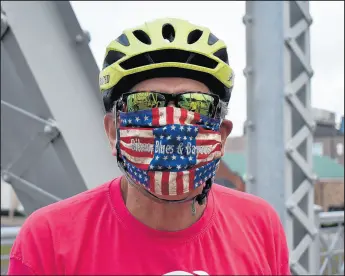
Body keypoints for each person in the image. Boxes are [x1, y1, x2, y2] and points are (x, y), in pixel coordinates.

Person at [8, 18, 290, 275]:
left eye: (195, 104)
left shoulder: (260, 226)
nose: (171, 123)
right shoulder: (48, 239)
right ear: (111, 132)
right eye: (144, 104)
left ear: (222, 136)